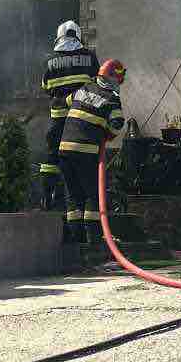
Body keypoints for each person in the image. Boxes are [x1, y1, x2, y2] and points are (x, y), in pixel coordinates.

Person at [58, 58, 126, 244]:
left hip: (64, 148)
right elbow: (118, 123)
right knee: (93, 194)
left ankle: (75, 239)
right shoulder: (112, 99)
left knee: (73, 195)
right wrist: (107, 135)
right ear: (114, 79)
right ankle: (93, 238)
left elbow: (66, 102)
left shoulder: (84, 88)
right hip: (85, 150)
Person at [41, 21, 99, 226]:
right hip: (82, 121)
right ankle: (90, 226)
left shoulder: (50, 61)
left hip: (58, 120)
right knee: (85, 173)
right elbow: (97, 86)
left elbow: (46, 87)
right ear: (78, 36)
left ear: (59, 37)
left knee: (52, 158)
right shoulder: (89, 57)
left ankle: (47, 194)